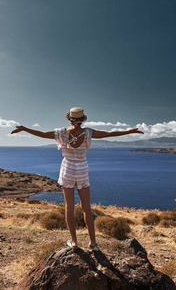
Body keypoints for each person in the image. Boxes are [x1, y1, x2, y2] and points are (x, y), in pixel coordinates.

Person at [11, 107, 143, 251]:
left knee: (69, 207)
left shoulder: (61, 133)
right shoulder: (88, 133)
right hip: (82, 169)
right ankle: (93, 243)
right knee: (86, 208)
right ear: (83, 119)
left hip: (67, 169)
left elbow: (42, 134)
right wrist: (129, 131)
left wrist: (24, 128)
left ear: (69, 118)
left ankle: (74, 242)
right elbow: (109, 134)